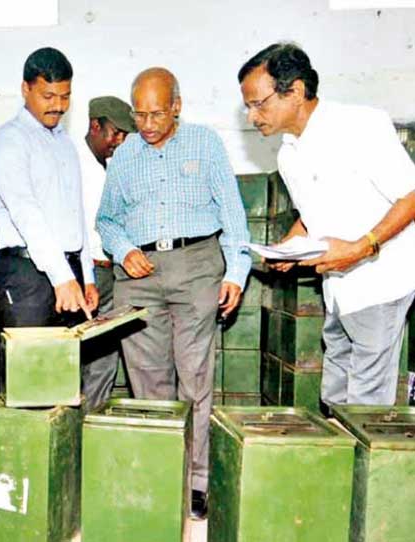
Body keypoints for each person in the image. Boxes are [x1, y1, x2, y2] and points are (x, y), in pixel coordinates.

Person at [97, 67, 251, 519]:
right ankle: (160, 475)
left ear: (177, 107)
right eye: (138, 114)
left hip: (196, 266)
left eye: (156, 114)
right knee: (148, 384)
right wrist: (124, 251)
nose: (145, 124)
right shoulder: (125, 157)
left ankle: (197, 481)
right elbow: (107, 220)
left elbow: (233, 213)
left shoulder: (205, 144)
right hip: (139, 275)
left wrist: (237, 272)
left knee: (195, 379)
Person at [238, 43, 415, 406]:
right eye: (248, 107)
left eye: (259, 103)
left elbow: (410, 195)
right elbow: (315, 211)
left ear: (297, 90)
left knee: (366, 404)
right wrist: (289, 245)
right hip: (338, 289)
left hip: (380, 283)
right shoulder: (289, 153)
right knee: (333, 396)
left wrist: (362, 247)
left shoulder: (360, 125)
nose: (252, 117)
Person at [0, 47, 98, 331]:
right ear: (26, 89)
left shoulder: (64, 142)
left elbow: (76, 213)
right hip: (28, 276)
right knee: (33, 370)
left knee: (68, 370)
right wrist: (62, 278)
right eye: (48, 96)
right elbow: (26, 213)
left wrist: (87, 277)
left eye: (65, 96)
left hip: (69, 270)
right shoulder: (8, 141)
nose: (58, 106)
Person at [77, 96, 134, 408]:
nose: (119, 141)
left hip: (111, 272)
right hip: (84, 273)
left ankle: (91, 424)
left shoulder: (110, 168)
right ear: (95, 126)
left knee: (104, 359)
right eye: (115, 133)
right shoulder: (73, 163)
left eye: (125, 136)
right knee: (76, 357)